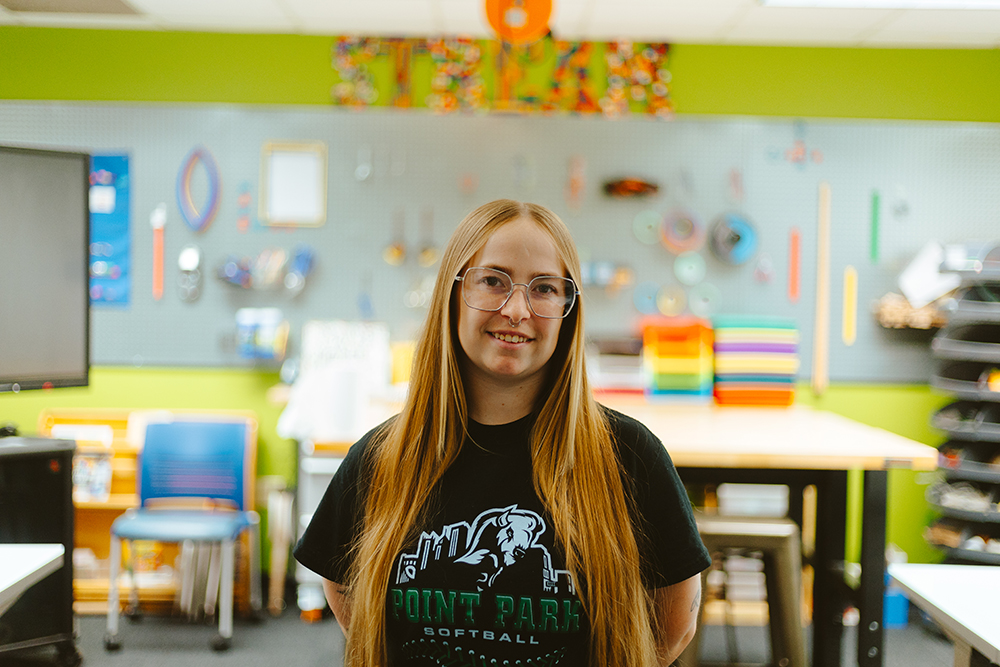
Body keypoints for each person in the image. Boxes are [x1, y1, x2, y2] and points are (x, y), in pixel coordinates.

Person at [294, 199, 711, 667]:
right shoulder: (380, 457)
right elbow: (348, 596)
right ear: (453, 293)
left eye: (545, 288)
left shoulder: (630, 456)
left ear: (567, 309)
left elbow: (675, 621)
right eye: (493, 281)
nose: (516, 310)